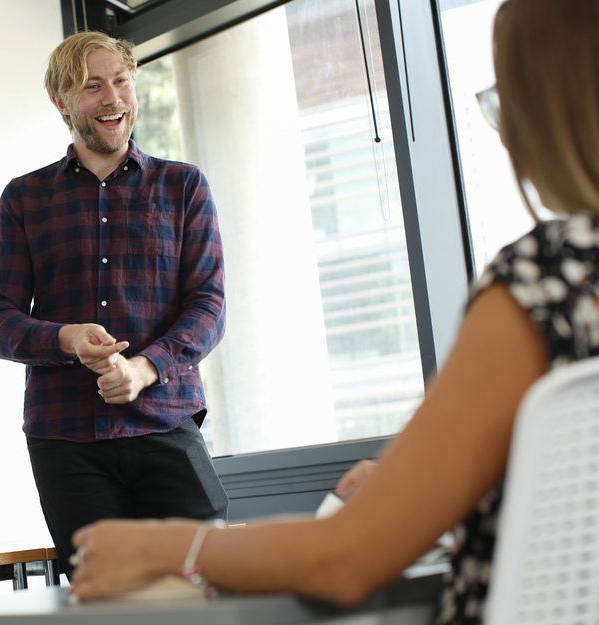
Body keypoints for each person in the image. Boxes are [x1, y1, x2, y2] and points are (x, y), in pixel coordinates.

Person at [68, 1, 599, 623]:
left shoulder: (546, 279)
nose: (505, 132)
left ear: (551, 113)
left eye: (502, 104)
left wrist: (166, 546)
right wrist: (427, 481)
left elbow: (343, 562)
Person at [0, 30, 229, 578]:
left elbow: (208, 306)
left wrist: (145, 368)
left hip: (165, 422)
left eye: (121, 80)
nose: (113, 98)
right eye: (93, 86)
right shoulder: (23, 199)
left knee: (205, 592)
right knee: (107, 603)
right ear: (62, 102)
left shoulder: (183, 187)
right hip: (66, 442)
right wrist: (66, 339)